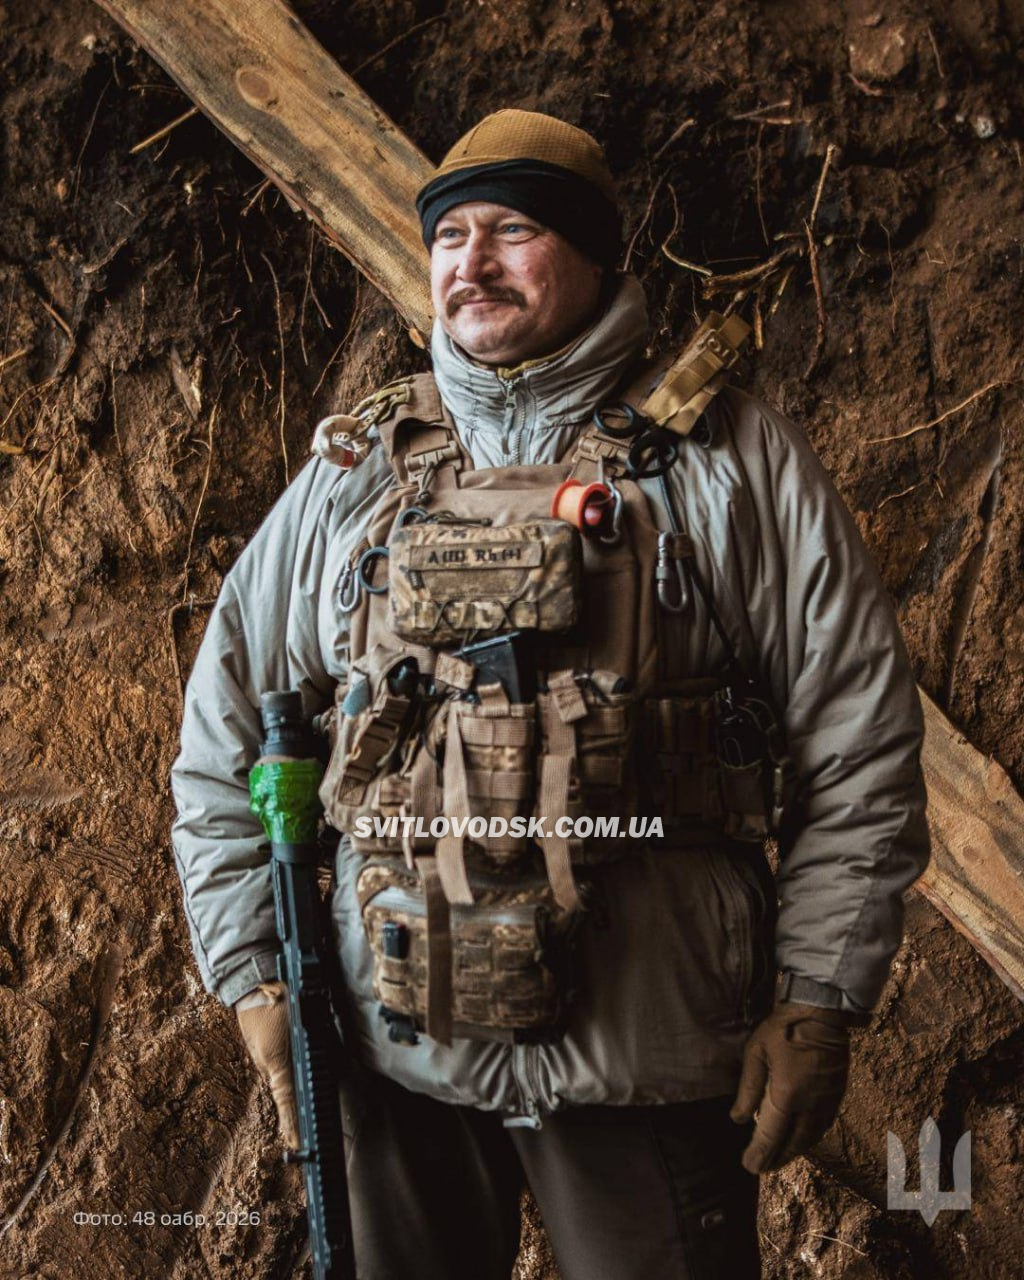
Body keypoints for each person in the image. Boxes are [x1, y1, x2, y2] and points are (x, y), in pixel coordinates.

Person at [171, 109, 930, 1279]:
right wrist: (255, 968)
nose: (471, 262)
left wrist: (820, 990)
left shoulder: (731, 462)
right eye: (450, 236)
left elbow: (858, 740)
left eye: (512, 229)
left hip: (647, 1058)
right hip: (392, 1046)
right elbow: (228, 733)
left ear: (592, 251)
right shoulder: (355, 476)